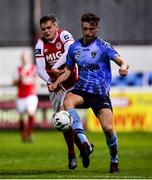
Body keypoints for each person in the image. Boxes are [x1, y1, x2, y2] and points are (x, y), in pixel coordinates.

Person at [50, 13, 129, 173]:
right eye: (85, 29)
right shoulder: (74, 48)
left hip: (100, 94)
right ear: (82, 28)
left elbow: (122, 61)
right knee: (67, 101)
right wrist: (56, 82)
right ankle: (84, 142)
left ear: (96, 28)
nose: (88, 32)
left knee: (108, 129)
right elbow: (67, 71)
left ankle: (114, 160)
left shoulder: (103, 47)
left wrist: (123, 67)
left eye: (91, 29)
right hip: (82, 89)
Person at [35, 14, 93, 169]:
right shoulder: (40, 44)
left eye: (48, 27)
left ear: (55, 26)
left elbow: (70, 51)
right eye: (43, 29)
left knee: (64, 115)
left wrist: (57, 69)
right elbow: (40, 69)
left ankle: (77, 149)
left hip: (73, 82)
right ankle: (79, 149)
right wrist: (52, 81)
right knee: (63, 123)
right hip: (54, 85)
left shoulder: (64, 35)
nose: (46, 31)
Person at [13, 52, 38, 142]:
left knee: (31, 113)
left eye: (26, 57)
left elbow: (37, 80)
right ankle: (23, 135)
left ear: (28, 58)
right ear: (21, 58)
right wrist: (19, 78)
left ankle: (30, 133)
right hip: (20, 96)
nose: (24, 59)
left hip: (31, 95)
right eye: (23, 57)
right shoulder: (18, 69)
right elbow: (14, 83)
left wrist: (35, 89)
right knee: (21, 117)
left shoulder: (33, 68)